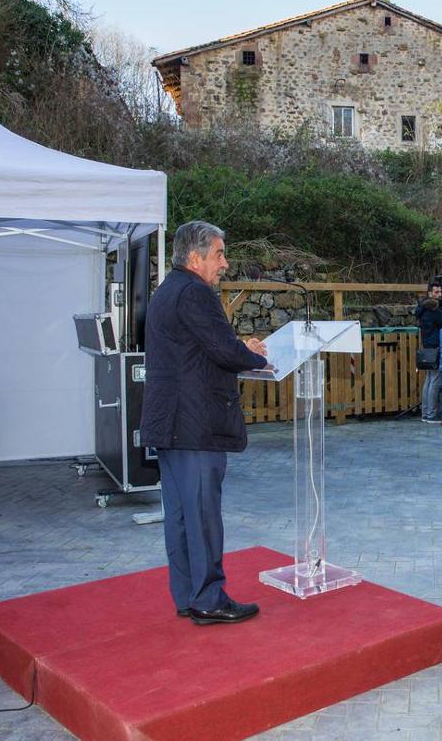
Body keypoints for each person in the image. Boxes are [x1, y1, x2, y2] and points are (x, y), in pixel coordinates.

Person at [140, 220, 268, 625]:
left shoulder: (169, 291)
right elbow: (221, 350)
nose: (225, 263)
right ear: (195, 259)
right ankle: (209, 597)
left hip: (172, 423)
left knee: (180, 516)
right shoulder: (195, 292)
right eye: (219, 254)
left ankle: (187, 594)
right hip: (194, 424)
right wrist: (260, 357)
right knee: (203, 516)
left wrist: (237, 347)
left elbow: (204, 346)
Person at [415, 281, 442, 424]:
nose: (439, 295)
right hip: (435, 347)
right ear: (429, 293)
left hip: (427, 347)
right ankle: (432, 414)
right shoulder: (433, 309)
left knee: (428, 381)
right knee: (435, 381)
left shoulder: (422, 307)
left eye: (440, 292)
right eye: (436, 292)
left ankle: (425, 413)